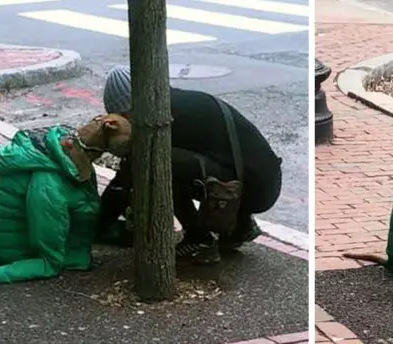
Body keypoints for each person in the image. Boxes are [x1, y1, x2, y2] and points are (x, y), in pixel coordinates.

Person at [96, 65, 283, 264]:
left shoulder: (159, 119)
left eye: (123, 118)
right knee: (185, 162)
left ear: (130, 109)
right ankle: (239, 227)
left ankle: (199, 240)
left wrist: (97, 226)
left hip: (254, 190)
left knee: (156, 164)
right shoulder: (177, 102)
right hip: (264, 181)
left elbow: (127, 176)